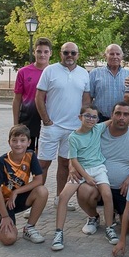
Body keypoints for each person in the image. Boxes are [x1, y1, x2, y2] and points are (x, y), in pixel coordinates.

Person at [51, 106, 117, 251]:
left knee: (107, 194)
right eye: (87, 116)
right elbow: (74, 159)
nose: (90, 119)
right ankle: (58, 233)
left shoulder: (98, 128)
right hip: (81, 170)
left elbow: (112, 121)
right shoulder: (73, 137)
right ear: (80, 117)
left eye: (94, 117)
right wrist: (86, 177)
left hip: (98, 168)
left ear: (97, 119)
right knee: (63, 197)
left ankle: (109, 228)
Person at [75, 102, 129, 236]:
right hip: (97, 185)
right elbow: (76, 149)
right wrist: (73, 167)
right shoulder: (97, 133)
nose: (121, 118)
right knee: (84, 191)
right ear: (111, 115)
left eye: (126, 115)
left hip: (123, 189)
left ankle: (116, 212)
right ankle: (93, 217)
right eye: (118, 113)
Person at [35, 42, 91, 210]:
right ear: (60, 54)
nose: (70, 56)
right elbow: (39, 97)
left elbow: (86, 99)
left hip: (73, 128)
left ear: (78, 55)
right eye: (66, 52)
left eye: (73, 53)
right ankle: (33, 200)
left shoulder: (83, 74)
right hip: (52, 127)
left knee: (66, 165)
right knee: (42, 164)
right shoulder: (50, 70)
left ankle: (60, 199)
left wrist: (82, 122)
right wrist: (46, 120)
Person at [0, 125, 48, 246]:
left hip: (15, 200)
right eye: (14, 140)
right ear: (9, 142)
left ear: (29, 142)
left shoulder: (30, 156)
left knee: (42, 191)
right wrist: (5, 216)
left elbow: (38, 180)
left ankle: (29, 228)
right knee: (9, 239)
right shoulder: (2, 161)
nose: (18, 144)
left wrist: (16, 192)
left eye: (22, 140)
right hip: (2, 203)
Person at [13, 37, 52, 152]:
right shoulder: (23, 72)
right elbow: (17, 99)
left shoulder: (55, 72)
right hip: (27, 119)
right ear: (34, 52)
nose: (42, 55)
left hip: (48, 119)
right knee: (25, 154)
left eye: (46, 52)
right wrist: (16, 124)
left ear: (51, 53)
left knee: (42, 156)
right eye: (39, 51)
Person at [89, 44, 129, 122]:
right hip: (100, 119)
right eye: (111, 54)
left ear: (122, 56)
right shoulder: (95, 73)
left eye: (118, 54)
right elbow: (89, 98)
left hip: (122, 119)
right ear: (105, 56)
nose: (115, 56)